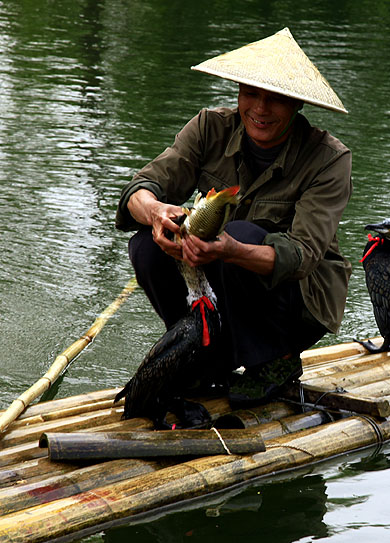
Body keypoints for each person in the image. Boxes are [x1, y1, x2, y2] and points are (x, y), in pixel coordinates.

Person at [115, 28, 352, 402]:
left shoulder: (328, 159)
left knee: (240, 232)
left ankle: (276, 359)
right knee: (146, 245)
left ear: (297, 105)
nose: (260, 109)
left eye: (276, 99)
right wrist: (158, 212)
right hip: (223, 279)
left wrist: (228, 250)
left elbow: (302, 257)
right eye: (251, 94)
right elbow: (139, 190)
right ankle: (202, 354)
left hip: (299, 300)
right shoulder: (210, 127)